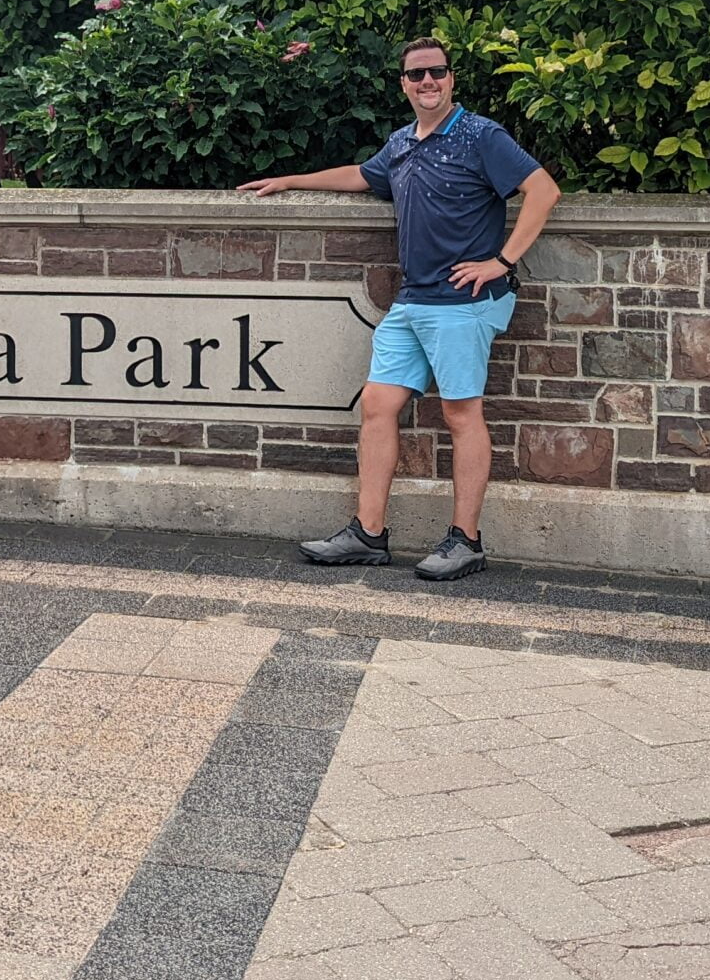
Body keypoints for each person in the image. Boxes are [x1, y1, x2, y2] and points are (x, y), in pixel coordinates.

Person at [240, 37, 561, 580]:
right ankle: (368, 534)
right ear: (404, 84)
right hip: (412, 302)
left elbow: (544, 191)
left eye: (436, 72)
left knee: (461, 416)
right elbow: (361, 176)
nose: (427, 82)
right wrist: (291, 179)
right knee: (377, 406)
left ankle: (467, 542)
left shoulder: (481, 135)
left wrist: (502, 262)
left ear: (451, 79)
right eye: (417, 75)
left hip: (463, 303)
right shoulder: (402, 144)